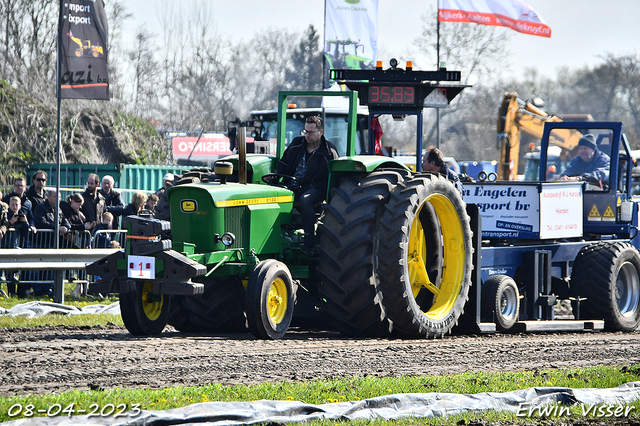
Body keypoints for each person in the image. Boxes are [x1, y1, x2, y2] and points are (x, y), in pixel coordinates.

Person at [274, 116, 338, 255]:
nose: (307, 135)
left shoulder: (328, 151)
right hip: (293, 184)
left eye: (311, 132)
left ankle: (309, 244)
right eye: (305, 131)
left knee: (306, 199)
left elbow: (333, 177)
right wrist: (276, 176)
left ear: (321, 132)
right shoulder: (297, 144)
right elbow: (283, 164)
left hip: (316, 187)